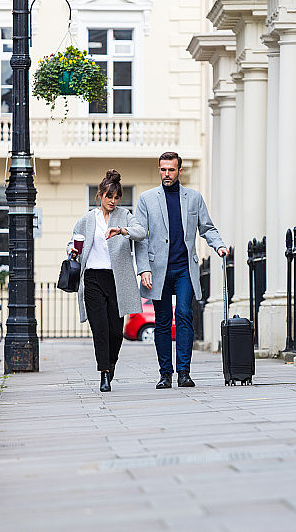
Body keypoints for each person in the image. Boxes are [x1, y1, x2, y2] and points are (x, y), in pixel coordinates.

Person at [135, 152, 227, 389]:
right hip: (158, 270)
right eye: (163, 169)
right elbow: (141, 238)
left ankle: (184, 372)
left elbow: (207, 227)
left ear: (179, 171)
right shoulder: (146, 199)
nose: (167, 174)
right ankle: (165, 374)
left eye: (171, 170)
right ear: (159, 170)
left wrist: (219, 245)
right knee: (163, 321)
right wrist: (143, 269)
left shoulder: (193, 198)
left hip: (185, 268)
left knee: (185, 315)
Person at [70, 170, 146, 392]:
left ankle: (110, 364)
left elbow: (141, 232)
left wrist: (122, 231)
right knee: (100, 329)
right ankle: (103, 373)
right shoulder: (87, 219)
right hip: (93, 278)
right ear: (100, 195)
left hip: (117, 279)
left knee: (115, 331)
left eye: (116, 198)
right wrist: (73, 251)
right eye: (108, 197)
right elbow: (72, 243)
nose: (112, 201)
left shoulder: (125, 215)